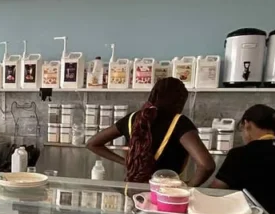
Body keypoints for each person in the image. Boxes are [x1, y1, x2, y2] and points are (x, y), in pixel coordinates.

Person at [86, 77, 215, 185]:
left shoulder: (132, 118)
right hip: (164, 195)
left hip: (133, 190)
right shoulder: (179, 123)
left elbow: (92, 143)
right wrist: (189, 187)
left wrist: (127, 163)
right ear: (180, 101)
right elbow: (206, 165)